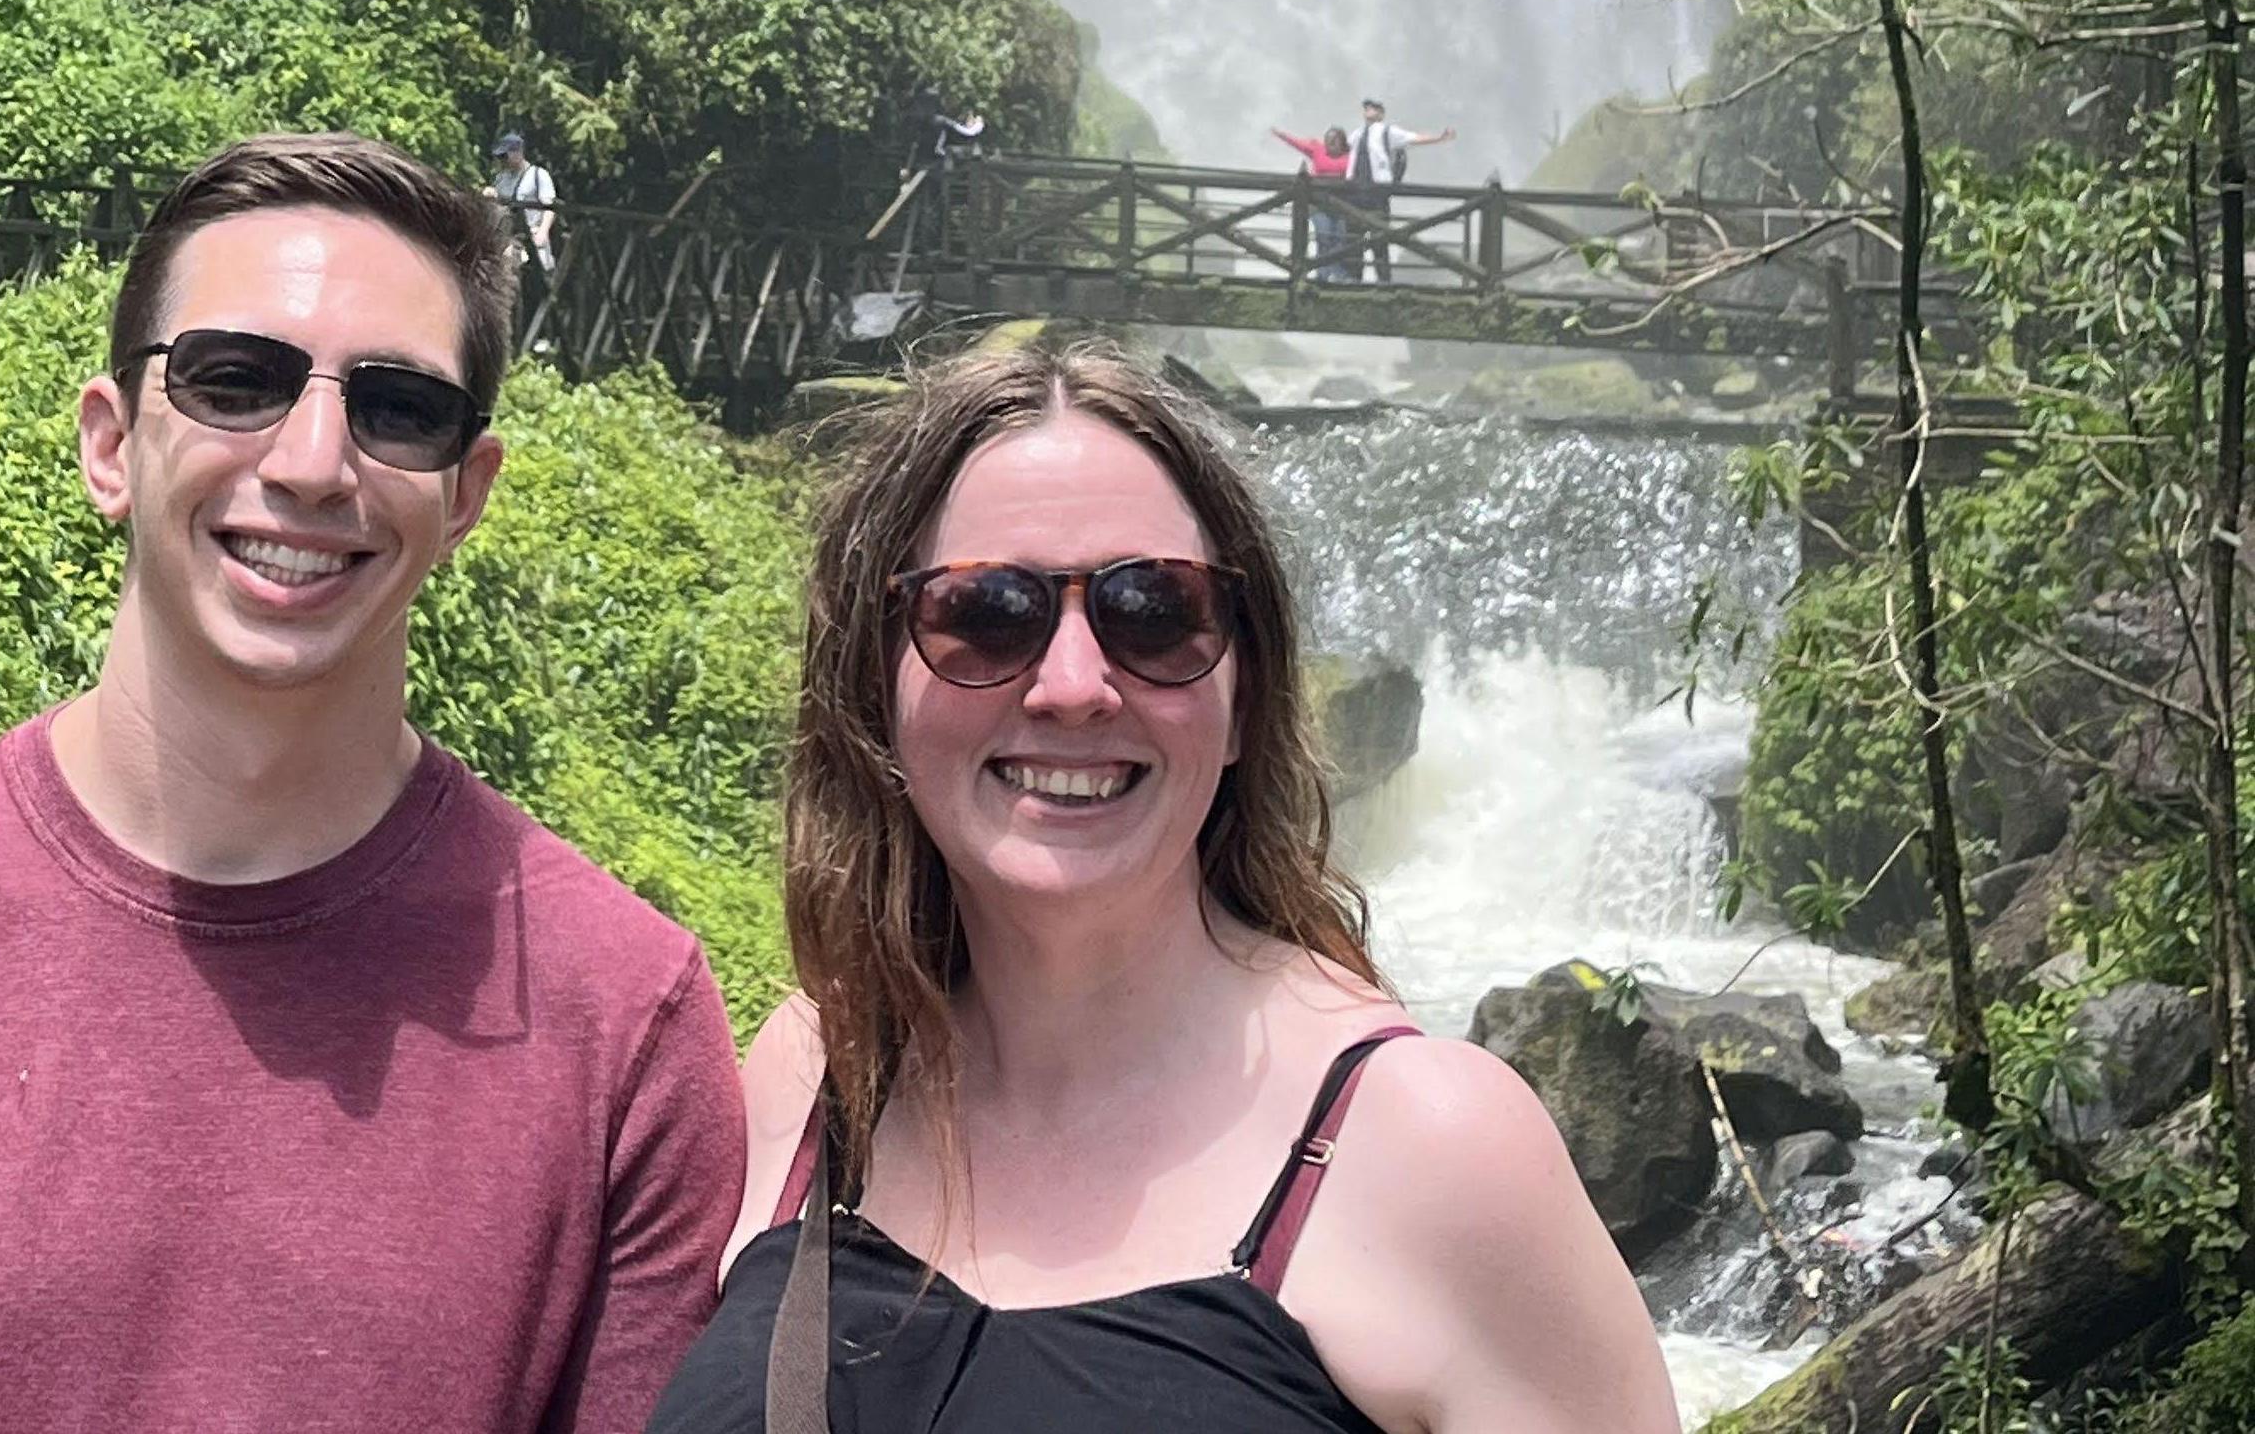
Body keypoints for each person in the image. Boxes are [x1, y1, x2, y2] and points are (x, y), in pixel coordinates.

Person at [0, 132, 742, 1434]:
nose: (312, 461)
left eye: (397, 409)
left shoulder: (626, 1030)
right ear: (111, 443)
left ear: (465, 494)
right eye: (234, 379)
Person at [648, 338, 1677, 1434]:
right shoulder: (815, 1072)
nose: (1074, 684)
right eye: (984, 612)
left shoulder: (1428, 1146)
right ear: (875, 684)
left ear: (1242, 692)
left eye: (1152, 610)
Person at [1344, 94, 1455, 285]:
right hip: (1354, 192)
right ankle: (1354, 279)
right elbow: (1340, 152)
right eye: (1366, 107)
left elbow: (1413, 138)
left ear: (1381, 113)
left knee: (1379, 237)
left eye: (1373, 107)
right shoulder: (1356, 134)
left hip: (1377, 192)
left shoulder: (1388, 131)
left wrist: (1439, 138)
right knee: (1353, 239)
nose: (1368, 110)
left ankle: (1383, 281)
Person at [1273, 122, 1356, 282]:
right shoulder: (1317, 150)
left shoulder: (1351, 156)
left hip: (1341, 205)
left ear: (1342, 142)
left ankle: (1333, 275)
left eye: (1335, 140)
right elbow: (1297, 143)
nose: (1330, 143)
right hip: (1318, 204)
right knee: (1324, 237)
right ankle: (1324, 277)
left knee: (1339, 241)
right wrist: (1280, 134)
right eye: (1328, 139)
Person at [493, 123, 559, 275]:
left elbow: (550, 208)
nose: (502, 160)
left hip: (533, 236)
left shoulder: (538, 175)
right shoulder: (501, 178)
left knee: (538, 278)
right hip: (508, 238)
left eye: (505, 156)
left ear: (518, 152)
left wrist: (543, 231)